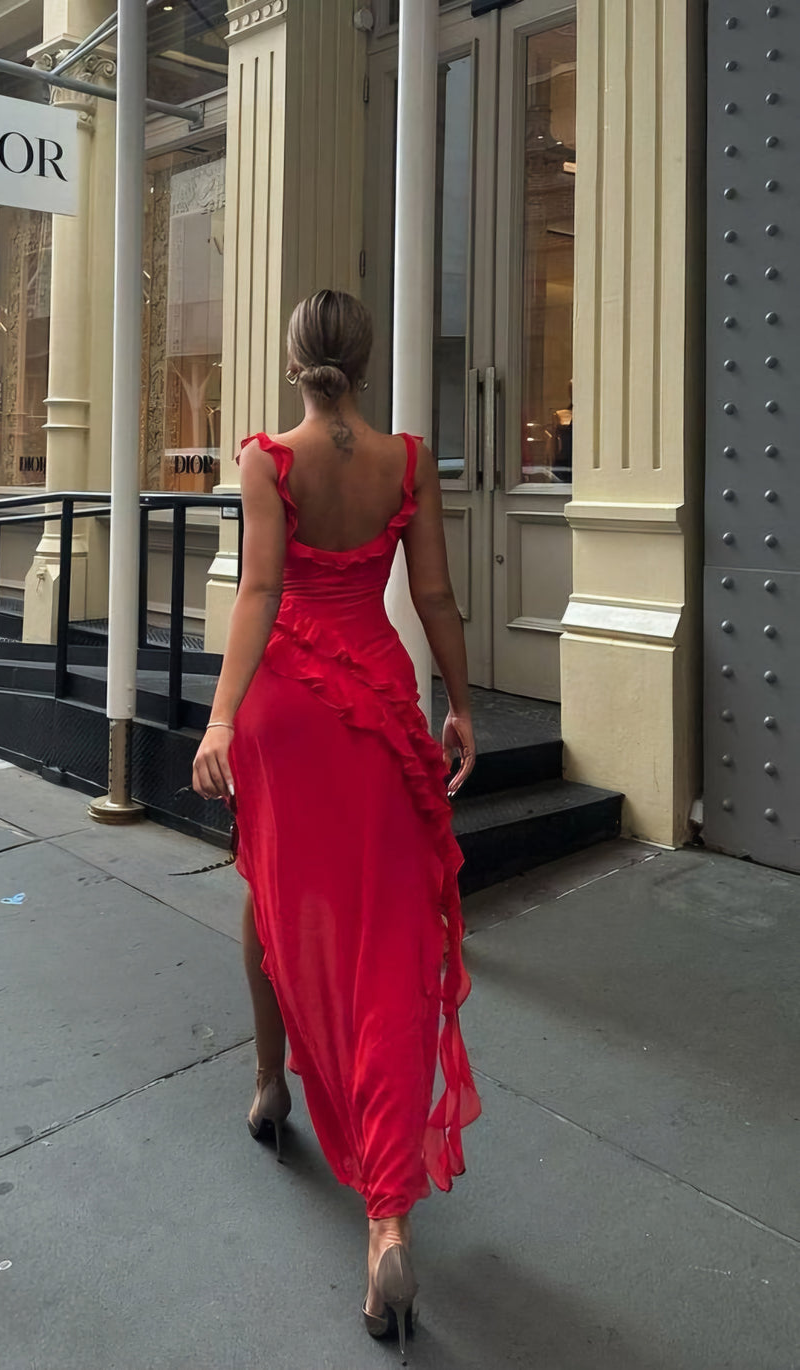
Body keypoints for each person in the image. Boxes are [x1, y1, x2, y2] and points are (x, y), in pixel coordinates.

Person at [192, 289, 480, 1354]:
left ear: (292, 359)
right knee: (382, 940)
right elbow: (438, 597)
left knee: (275, 902)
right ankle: (387, 1219)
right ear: (363, 361)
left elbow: (259, 590)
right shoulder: (407, 461)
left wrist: (220, 717)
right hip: (377, 703)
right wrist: (457, 699)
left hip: (286, 710)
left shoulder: (269, 457)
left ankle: (271, 1085)